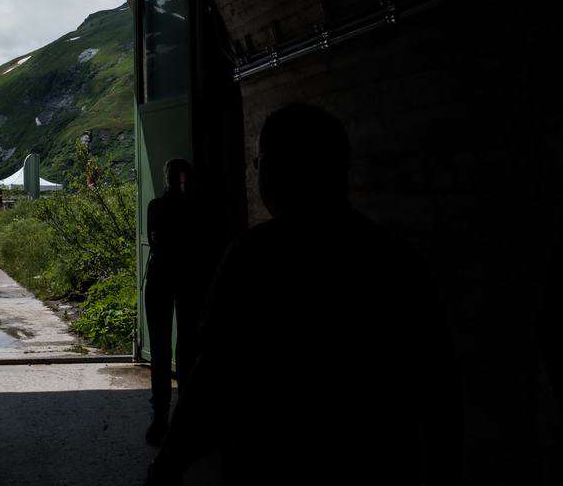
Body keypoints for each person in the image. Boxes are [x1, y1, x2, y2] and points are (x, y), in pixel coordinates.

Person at [148, 103, 462, 486]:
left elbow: (214, 377)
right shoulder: (397, 260)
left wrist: (169, 464)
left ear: (277, 168)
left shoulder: (254, 258)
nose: (255, 169)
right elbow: (439, 392)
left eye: (259, 160)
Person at [143, 158, 210, 445]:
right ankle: (187, 417)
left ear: (167, 179)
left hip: (159, 277)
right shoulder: (199, 208)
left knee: (159, 349)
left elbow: (154, 241)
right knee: (188, 348)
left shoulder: (156, 207)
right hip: (190, 279)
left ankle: (160, 419)